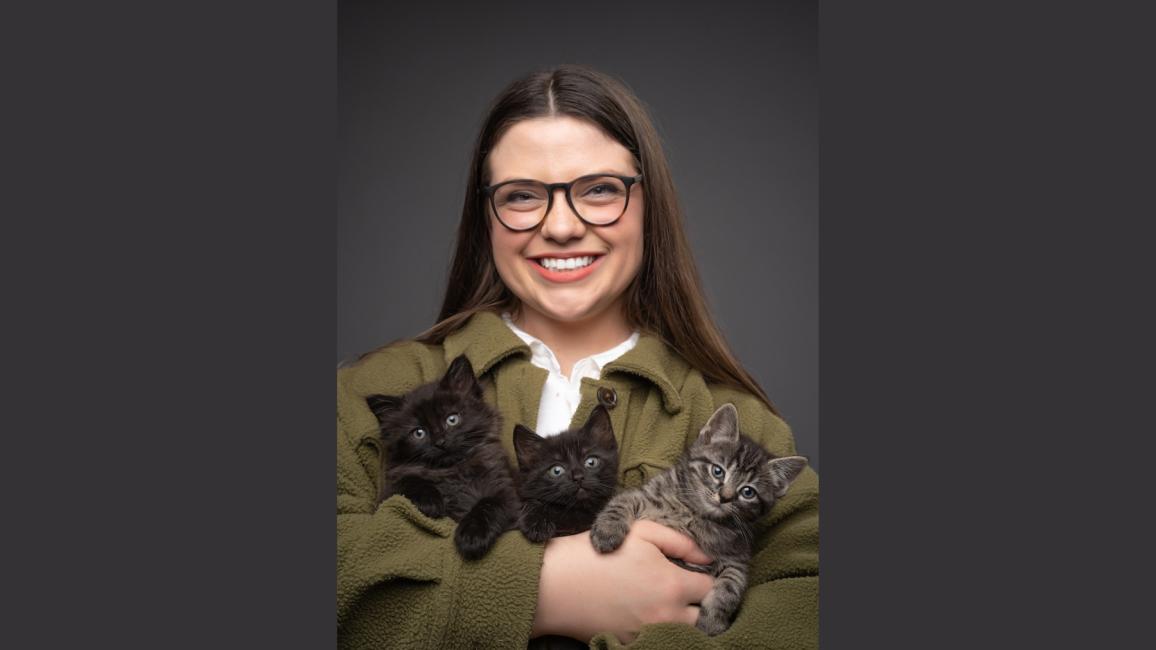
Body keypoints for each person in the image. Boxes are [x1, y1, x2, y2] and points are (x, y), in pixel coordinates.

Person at [337, 64, 818, 649]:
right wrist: (546, 590)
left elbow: (806, 599)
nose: (561, 226)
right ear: (485, 216)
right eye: (521, 196)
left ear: (648, 204)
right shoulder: (379, 388)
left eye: (598, 190)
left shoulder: (733, 418)